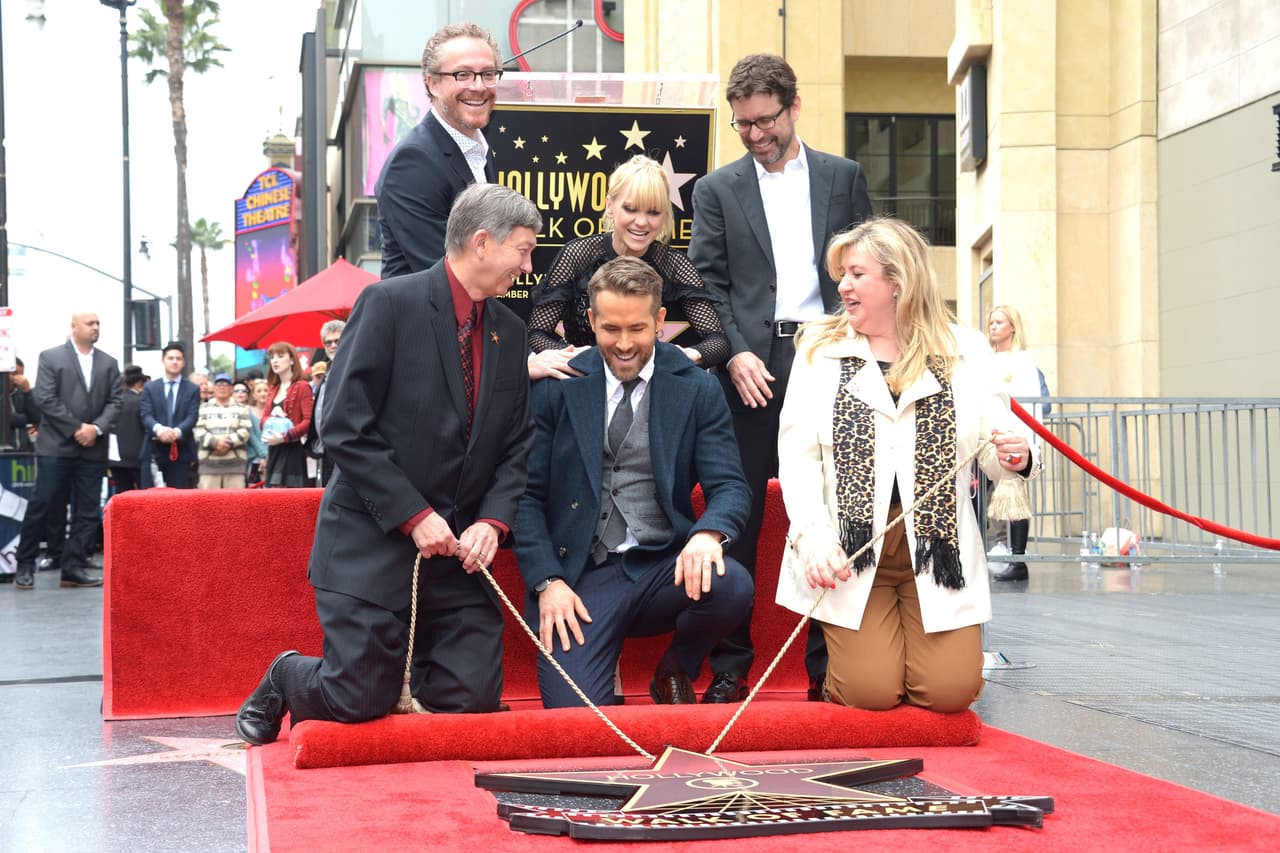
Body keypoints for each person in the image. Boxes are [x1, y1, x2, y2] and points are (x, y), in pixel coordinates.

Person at [235, 183, 540, 745]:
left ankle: (411, 663)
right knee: (358, 701)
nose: (528, 264)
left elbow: (518, 442)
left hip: (457, 558)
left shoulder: (511, 330)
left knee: (471, 698)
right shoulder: (389, 303)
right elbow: (342, 423)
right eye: (522, 249)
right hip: (370, 543)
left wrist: (493, 521)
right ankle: (288, 675)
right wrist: (413, 513)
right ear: (480, 243)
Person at [775, 218, 1037, 712]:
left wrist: (1014, 456)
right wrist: (812, 537)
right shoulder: (818, 349)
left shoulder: (966, 350)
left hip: (939, 549)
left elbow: (992, 445)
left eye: (856, 274)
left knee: (949, 694)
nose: (842, 286)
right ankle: (858, 669)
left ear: (897, 282)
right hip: (852, 551)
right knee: (870, 693)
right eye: (842, 275)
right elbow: (798, 456)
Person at [688, 52, 874, 703]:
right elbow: (705, 283)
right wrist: (732, 353)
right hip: (750, 367)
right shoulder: (715, 190)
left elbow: (868, 266)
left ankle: (830, 670)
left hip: (828, 358)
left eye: (765, 120)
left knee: (834, 508)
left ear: (793, 108)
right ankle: (731, 667)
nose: (755, 134)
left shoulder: (842, 177)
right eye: (742, 124)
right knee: (735, 513)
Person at [516, 257, 752, 708]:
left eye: (638, 329)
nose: (624, 344)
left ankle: (675, 668)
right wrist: (548, 581)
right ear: (590, 320)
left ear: (660, 321)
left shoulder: (697, 388)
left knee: (733, 584)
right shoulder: (557, 385)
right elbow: (525, 496)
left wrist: (707, 533)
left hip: (662, 566)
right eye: (611, 329)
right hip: (581, 575)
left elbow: (730, 486)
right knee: (578, 719)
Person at [526, 155, 730, 380]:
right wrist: (577, 357)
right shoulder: (578, 255)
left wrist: (688, 354)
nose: (642, 222)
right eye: (631, 209)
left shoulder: (674, 265)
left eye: (653, 212)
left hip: (650, 384)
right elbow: (536, 333)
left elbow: (717, 341)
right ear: (610, 206)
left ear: (665, 215)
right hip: (583, 380)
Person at [375, 22, 501, 278]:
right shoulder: (413, 163)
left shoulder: (480, 153)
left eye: (488, 74)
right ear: (432, 84)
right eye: (462, 75)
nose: (478, 86)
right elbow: (449, 273)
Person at [12, 312, 121, 590]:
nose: (96, 327)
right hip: (57, 446)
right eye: (90, 323)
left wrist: (94, 429)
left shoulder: (109, 363)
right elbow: (45, 398)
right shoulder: (51, 357)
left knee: (87, 512)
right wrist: (77, 428)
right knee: (43, 504)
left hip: (93, 447)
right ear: (74, 327)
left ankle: (72, 569)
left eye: (98, 323)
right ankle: (25, 564)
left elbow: (115, 402)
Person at [985, 304, 1042, 581]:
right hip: (987, 438)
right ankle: (999, 547)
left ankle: (1018, 558)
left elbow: (1031, 406)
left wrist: (1029, 444)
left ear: (1012, 327)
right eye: (991, 322)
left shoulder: (1023, 361)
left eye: (999, 322)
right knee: (989, 498)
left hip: (1013, 436)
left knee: (1014, 496)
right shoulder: (983, 359)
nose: (993, 326)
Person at [140, 342, 200, 489]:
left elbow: (192, 417)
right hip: (154, 449)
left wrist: (176, 432)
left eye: (178, 359)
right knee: (153, 499)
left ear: (183, 362)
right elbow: (146, 415)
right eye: (171, 358)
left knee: (180, 499)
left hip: (181, 450)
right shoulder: (150, 387)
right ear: (163, 360)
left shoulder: (192, 389)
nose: (174, 362)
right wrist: (160, 429)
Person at [260, 343, 314, 488]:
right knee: (272, 499)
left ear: (292, 360)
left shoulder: (302, 386)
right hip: (274, 450)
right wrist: (273, 417)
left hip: (292, 452)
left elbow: (308, 421)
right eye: (272, 357)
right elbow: (262, 421)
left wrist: (285, 437)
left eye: (280, 356)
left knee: (290, 500)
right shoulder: (273, 388)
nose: (275, 360)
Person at [194, 374, 252, 489]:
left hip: (235, 466)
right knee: (208, 504)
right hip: (208, 466)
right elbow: (198, 430)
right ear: (214, 388)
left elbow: (245, 430)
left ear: (231, 388)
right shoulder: (203, 408)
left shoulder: (242, 408)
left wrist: (228, 443)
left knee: (235, 504)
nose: (222, 387)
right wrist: (215, 443)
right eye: (219, 384)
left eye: (226, 384)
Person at [309, 320, 345, 487]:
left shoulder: (352, 367)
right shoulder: (328, 370)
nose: (333, 345)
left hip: (345, 446)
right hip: (326, 448)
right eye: (328, 342)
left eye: (337, 340)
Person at [109, 366, 147, 493]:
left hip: (116, 457)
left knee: (122, 493)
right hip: (138, 457)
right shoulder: (141, 402)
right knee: (143, 495)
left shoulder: (114, 402)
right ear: (140, 383)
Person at [244, 379, 268, 486]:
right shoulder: (247, 411)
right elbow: (251, 436)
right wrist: (264, 455)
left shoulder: (274, 411)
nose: (263, 393)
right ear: (253, 395)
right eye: (259, 391)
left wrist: (268, 456)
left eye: (265, 390)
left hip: (272, 458)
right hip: (253, 458)